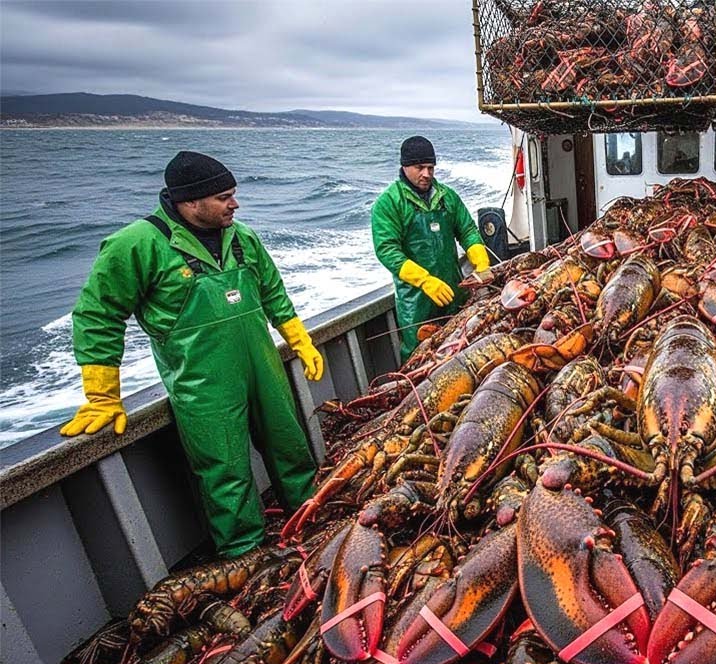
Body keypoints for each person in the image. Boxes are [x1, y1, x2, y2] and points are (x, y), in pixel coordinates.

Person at [61, 151, 324, 558]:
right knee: (225, 470)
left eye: (233, 194)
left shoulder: (244, 237)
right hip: (203, 384)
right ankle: (245, 554)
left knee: (291, 448)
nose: (234, 204)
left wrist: (300, 341)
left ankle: (314, 519)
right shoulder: (136, 244)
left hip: (264, 368)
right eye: (223, 197)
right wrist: (102, 394)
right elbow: (98, 315)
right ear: (189, 202)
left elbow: (273, 292)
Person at [371, 136, 488, 362]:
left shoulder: (447, 197)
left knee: (463, 351)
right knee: (420, 357)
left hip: (455, 292)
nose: (426, 174)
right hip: (417, 303)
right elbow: (387, 250)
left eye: (431, 167)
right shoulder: (389, 203)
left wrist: (481, 262)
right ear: (404, 166)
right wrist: (425, 281)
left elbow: (467, 231)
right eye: (419, 167)